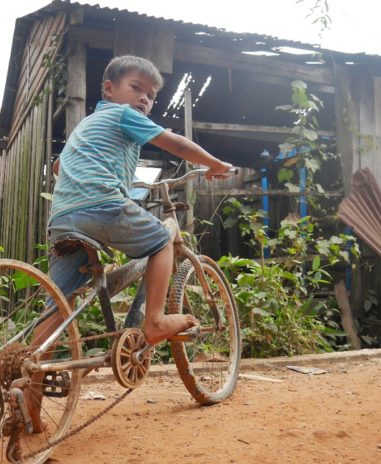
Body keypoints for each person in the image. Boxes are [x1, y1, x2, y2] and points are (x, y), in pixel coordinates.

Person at [26, 55, 232, 432]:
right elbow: (174, 142)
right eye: (136, 88)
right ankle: (154, 321)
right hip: (101, 204)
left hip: (63, 217)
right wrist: (213, 164)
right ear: (109, 89)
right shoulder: (122, 115)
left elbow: (58, 167)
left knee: (59, 306)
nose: (143, 100)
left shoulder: (87, 127)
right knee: (162, 242)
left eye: (150, 96)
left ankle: (28, 403)